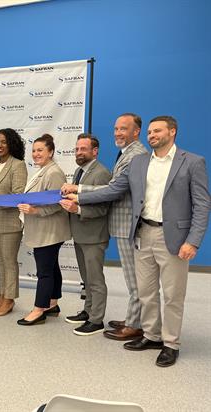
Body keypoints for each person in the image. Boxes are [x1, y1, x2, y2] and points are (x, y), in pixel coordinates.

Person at [72, 116, 210, 367]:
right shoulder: (140, 162)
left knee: (172, 295)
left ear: (173, 132)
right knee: (146, 292)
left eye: (157, 131)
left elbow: (202, 205)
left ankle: (170, 343)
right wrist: (79, 194)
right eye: (149, 132)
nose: (152, 135)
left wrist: (193, 241)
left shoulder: (192, 162)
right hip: (142, 233)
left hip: (174, 238)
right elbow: (113, 190)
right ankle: (152, 335)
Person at [62, 113, 148, 341]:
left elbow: (111, 193)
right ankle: (115, 316)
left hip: (118, 226)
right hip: (97, 229)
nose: (118, 132)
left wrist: (78, 196)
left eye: (123, 128)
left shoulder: (133, 156)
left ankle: (103, 320)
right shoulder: (122, 155)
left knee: (127, 280)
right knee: (90, 278)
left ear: (136, 131)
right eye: (116, 128)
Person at [59, 134, 112, 335]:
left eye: (83, 149)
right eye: (77, 149)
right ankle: (88, 311)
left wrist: (77, 210)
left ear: (94, 151)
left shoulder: (101, 173)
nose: (79, 152)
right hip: (81, 233)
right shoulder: (79, 171)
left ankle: (96, 320)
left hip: (94, 236)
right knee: (86, 278)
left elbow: (104, 208)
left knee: (95, 280)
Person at [17, 134, 70, 326]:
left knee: (45, 271)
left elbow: (58, 204)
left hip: (49, 231)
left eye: (40, 150)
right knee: (52, 267)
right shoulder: (42, 170)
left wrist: (34, 210)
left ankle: (39, 309)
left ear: (51, 152)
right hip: (44, 229)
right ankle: (52, 303)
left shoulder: (53, 172)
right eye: (34, 150)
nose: (36, 154)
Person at [0, 128, 27, 316]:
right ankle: (2, 295)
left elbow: (18, 195)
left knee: (9, 262)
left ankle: (9, 300)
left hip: (9, 221)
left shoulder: (18, 165)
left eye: (4, 142)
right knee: (0, 261)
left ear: (12, 144)